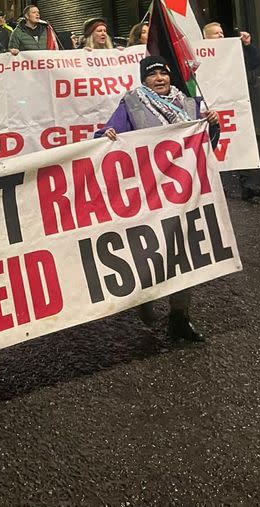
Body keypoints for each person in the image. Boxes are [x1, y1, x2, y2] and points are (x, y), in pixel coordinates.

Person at [96, 56, 220, 342]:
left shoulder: (190, 103)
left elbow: (207, 144)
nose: (160, 79)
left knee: (186, 253)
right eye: (152, 75)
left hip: (185, 191)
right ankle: (146, 299)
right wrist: (107, 134)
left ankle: (180, 317)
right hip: (149, 191)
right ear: (144, 80)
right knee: (152, 249)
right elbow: (110, 135)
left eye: (163, 73)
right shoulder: (132, 102)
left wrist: (212, 125)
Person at [203, 22, 260, 200]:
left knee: (241, 141)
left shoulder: (232, 53)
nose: (221, 36)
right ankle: (216, 188)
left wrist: (247, 46)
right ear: (205, 37)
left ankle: (249, 185)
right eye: (216, 33)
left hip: (234, 107)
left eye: (222, 32)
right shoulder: (197, 54)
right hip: (211, 110)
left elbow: (253, 64)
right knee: (215, 146)